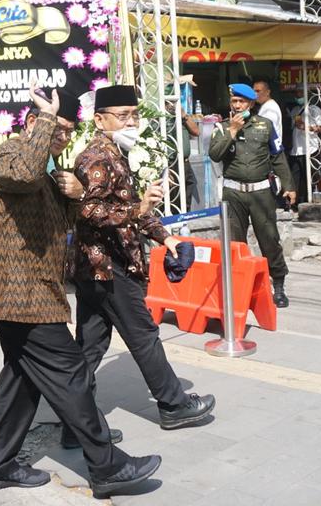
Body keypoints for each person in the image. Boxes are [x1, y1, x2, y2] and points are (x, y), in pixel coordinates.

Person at [0, 87, 162, 498]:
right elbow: (21, 174)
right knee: (72, 372)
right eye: (55, 130)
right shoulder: (9, 153)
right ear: (32, 125)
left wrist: (76, 196)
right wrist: (46, 118)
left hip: (30, 293)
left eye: (65, 133)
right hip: (19, 294)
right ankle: (107, 466)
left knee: (22, 380)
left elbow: (66, 222)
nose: (61, 139)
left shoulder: (47, 173)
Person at [72, 84, 216, 431]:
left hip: (100, 267)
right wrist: (139, 209)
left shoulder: (115, 154)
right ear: (99, 119)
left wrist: (165, 238)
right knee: (144, 335)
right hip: (108, 265)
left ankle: (74, 424)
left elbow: (130, 206)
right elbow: (88, 210)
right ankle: (174, 404)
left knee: (90, 349)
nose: (131, 122)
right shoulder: (96, 159)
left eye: (134, 115)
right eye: (122, 116)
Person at [208, 83, 297, 307]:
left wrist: (288, 185)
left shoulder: (265, 125)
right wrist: (232, 131)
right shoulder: (222, 127)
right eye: (234, 102)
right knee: (234, 244)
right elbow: (215, 155)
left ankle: (278, 285)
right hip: (233, 193)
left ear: (250, 104)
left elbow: (278, 157)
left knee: (269, 239)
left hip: (260, 192)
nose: (237, 106)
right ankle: (239, 290)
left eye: (241, 102)